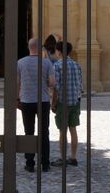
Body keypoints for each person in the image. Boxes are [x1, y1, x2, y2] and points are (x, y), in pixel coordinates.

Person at [17, 37, 55, 172]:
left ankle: (29, 163)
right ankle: (45, 163)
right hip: (43, 101)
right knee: (44, 131)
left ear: (29, 47)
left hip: (26, 101)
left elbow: (17, 83)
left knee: (29, 132)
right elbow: (51, 82)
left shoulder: (20, 63)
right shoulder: (47, 63)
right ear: (40, 48)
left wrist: (17, 98)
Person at [50, 40, 83, 167]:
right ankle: (73, 157)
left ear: (58, 51)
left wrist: (53, 103)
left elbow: (56, 87)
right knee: (73, 129)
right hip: (75, 101)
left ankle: (63, 158)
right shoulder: (76, 65)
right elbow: (80, 85)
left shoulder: (57, 66)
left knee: (62, 131)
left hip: (63, 102)